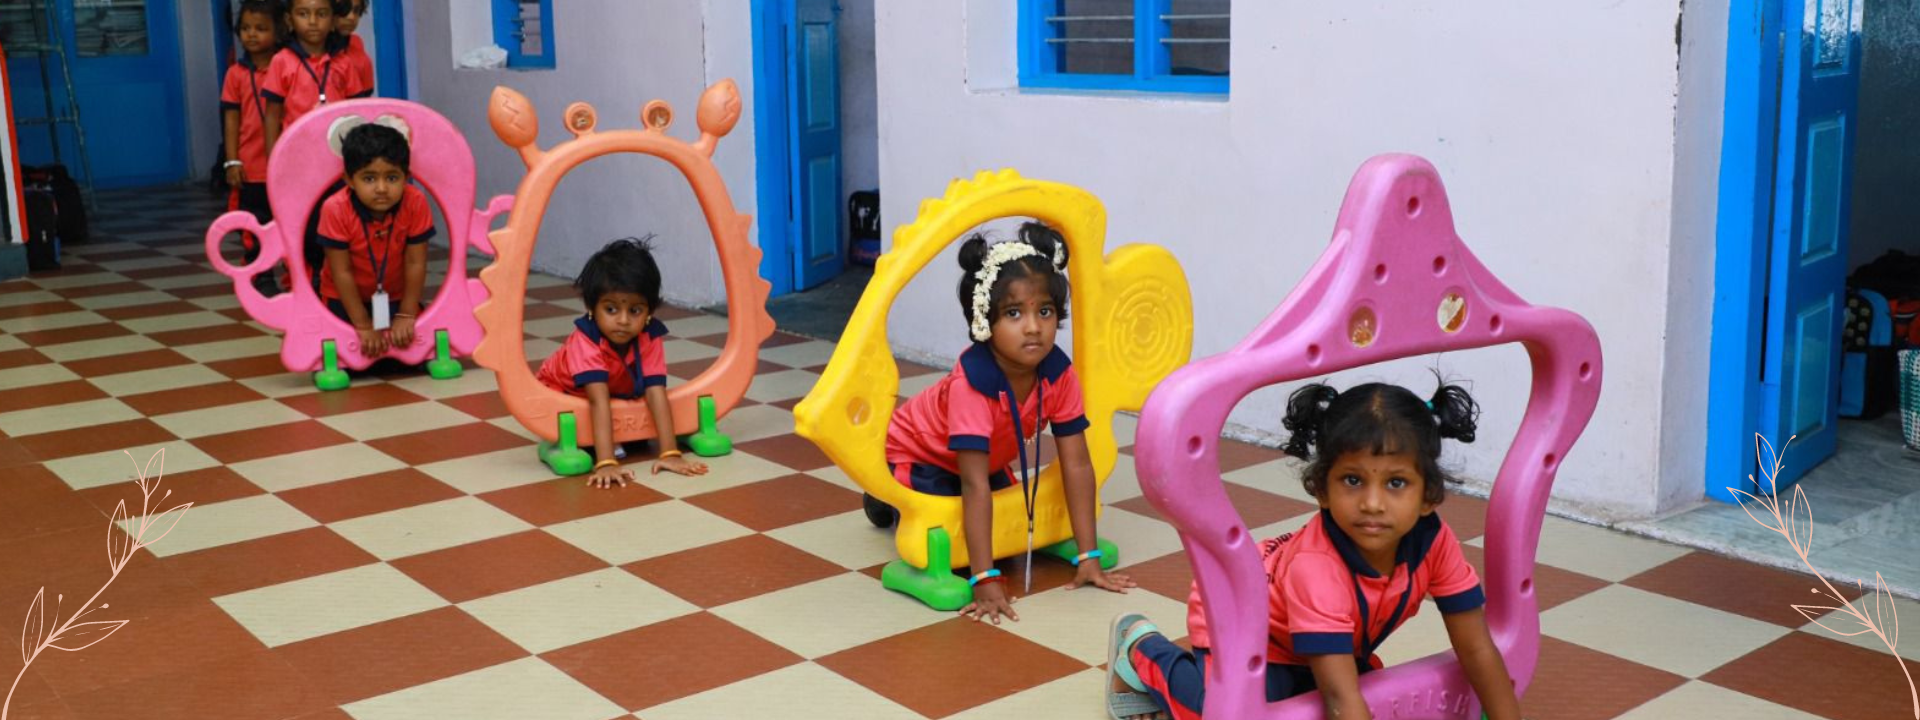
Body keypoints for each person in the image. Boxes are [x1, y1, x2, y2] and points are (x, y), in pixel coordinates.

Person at [1104, 381, 1522, 720]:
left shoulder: (1436, 541)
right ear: (1321, 489)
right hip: (1242, 624)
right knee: (1224, 713)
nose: (1373, 504)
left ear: (1429, 496)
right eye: (1352, 481)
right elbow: (1341, 700)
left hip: (1318, 641)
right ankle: (1141, 648)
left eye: (1396, 483)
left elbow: (1476, 646)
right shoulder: (1316, 568)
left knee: (1363, 697)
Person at [883, 221, 1135, 625]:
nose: (1034, 326)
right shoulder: (973, 385)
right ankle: (885, 499)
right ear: (984, 322)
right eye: (1014, 313)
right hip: (924, 452)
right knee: (946, 530)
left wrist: (1089, 557)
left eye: (1046, 311)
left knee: (1005, 520)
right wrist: (984, 579)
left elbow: (1077, 463)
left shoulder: (1058, 374)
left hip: (985, 458)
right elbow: (973, 484)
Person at [536, 237, 711, 488]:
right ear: (591, 308)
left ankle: (616, 439)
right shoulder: (584, 340)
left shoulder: (650, 335)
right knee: (589, 421)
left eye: (635, 311)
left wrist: (670, 454)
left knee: (639, 424)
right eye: (611, 309)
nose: (623, 320)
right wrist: (606, 462)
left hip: (615, 389)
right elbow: (598, 399)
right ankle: (588, 445)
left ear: (649, 311)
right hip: (562, 391)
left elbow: (655, 392)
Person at [313, 122, 431, 359]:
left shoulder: (415, 202)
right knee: (349, 357)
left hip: (394, 295)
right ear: (349, 179)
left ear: (406, 177)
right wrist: (364, 325)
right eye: (368, 179)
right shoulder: (335, 209)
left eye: (392, 177)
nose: (381, 188)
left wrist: (407, 314)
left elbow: (415, 262)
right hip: (343, 297)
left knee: (409, 355)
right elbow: (341, 272)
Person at [220, 0, 283, 296]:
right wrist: (232, 161)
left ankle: (297, 274)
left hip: (284, 166)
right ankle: (261, 272)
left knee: (288, 220)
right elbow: (231, 118)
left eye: (261, 28)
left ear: (279, 31)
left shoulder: (286, 67)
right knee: (255, 222)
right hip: (251, 166)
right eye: (245, 28)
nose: (252, 35)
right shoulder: (235, 74)